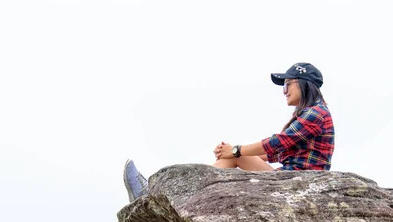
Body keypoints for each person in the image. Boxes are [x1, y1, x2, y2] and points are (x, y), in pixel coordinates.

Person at [123, 62, 335, 202]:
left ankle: (154, 196)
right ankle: (161, 196)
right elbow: (273, 154)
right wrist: (232, 152)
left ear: (305, 84)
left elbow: (275, 144)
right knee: (231, 162)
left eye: (288, 83)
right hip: (293, 182)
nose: (285, 90)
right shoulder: (311, 114)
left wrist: (235, 151)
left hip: (297, 185)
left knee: (234, 161)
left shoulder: (316, 114)